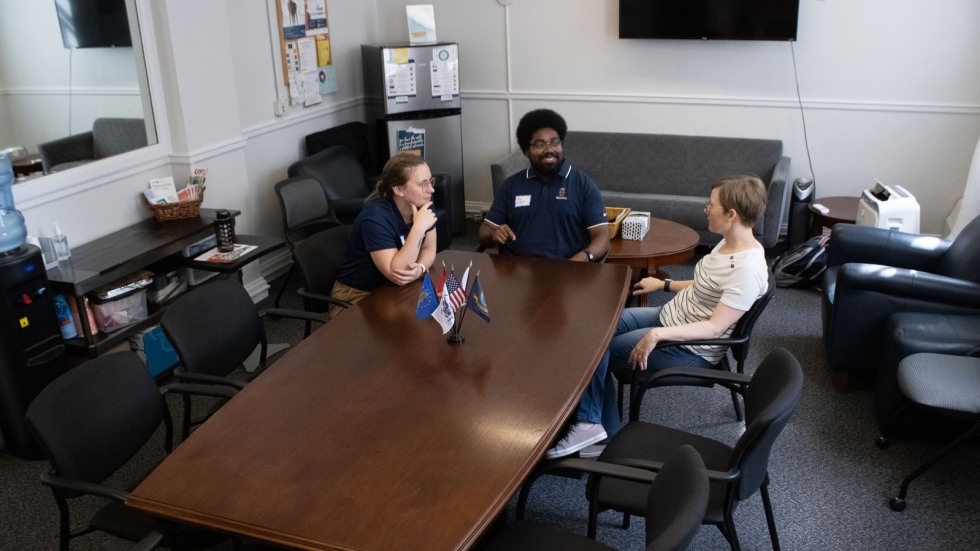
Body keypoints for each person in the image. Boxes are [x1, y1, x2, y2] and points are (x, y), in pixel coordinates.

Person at [546, 175, 770, 459]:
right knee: (595, 329)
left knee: (594, 351)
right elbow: (706, 286)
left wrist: (657, 335)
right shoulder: (728, 243)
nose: (705, 209)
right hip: (671, 316)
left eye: (711, 205)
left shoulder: (746, 269)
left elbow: (716, 327)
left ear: (732, 214)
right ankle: (595, 426)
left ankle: (594, 428)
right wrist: (663, 285)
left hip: (689, 347)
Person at [479, 108, 610, 262]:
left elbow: (602, 236)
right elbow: (484, 232)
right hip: (518, 271)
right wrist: (494, 234)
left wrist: (583, 258)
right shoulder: (511, 186)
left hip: (568, 271)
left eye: (555, 142)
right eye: (540, 144)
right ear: (526, 151)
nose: (549, 150)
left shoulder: (583, 185)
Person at [329, 153, 439, 317]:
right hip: (356, 296)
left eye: (430, 181)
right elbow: (397, 273)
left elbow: (429, 248)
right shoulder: (375, 218)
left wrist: (421, 268)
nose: (431, 189)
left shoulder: (423, 202)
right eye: (423, 184)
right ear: (398, 189)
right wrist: (418, 229)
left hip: (392, 289)